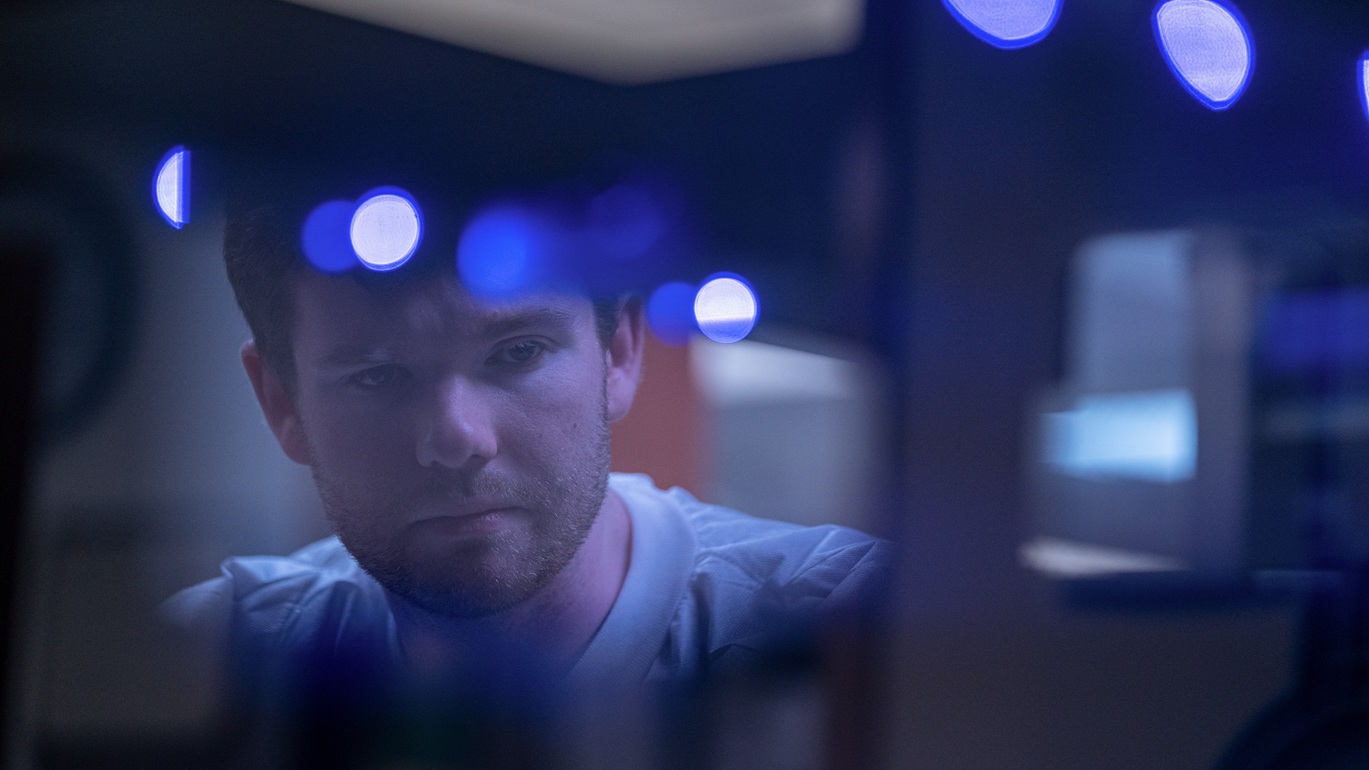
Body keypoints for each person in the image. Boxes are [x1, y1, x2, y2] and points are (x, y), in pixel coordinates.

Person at [164, 197, 893, 697]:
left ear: (620, 351)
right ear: (280, 403)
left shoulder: (853, 630)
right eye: (379, 375)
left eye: (517, 353)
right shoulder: (205, 657)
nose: (456, 439)